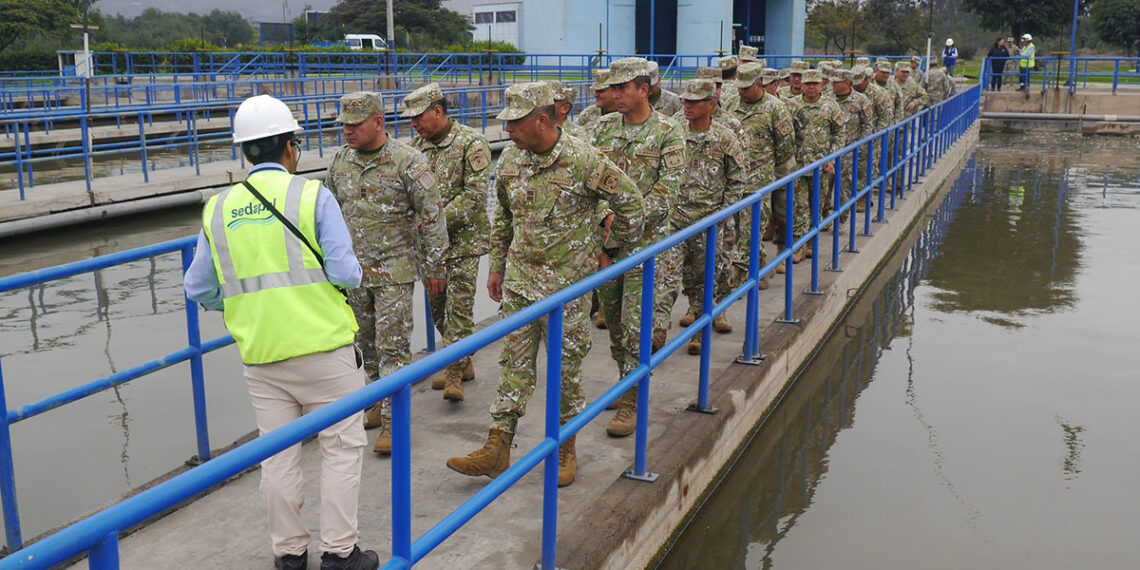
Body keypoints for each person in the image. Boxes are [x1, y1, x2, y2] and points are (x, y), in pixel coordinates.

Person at [183, 94, 380, 570]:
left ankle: (289, 556)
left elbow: (199, 287)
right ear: (290, 147)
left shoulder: (218, 208)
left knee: (278, 454)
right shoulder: (313, 196)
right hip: (326, 348)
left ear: (244, 152)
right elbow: (346, 273)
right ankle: (339, 553)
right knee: (340, 448)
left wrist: (244, 307)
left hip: (263, 355)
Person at [445, 82, 645, 487]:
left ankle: (565, 448)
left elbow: (632, 205)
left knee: (565, 372)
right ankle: (497, 447)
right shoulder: (512, 163)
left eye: (515, 124)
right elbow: (502, 217)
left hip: (567, 289)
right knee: (513, 366)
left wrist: (609, 248)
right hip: (521, 283)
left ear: (541, 120)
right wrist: (497, 266)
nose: (508, 132)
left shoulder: (585, 160)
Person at [326, 91, 449, 455]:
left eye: (355, 124)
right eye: (343, 125)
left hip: (395, 270)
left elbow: (432, 216)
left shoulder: (407, 162)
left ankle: (396, 424)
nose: (347, 131)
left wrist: (436, 265)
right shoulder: (339, 163)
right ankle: (376, 399)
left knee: (393, 347)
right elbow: (329, 214)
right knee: (364, 345)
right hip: (354, 273)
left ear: (378, 122)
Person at [590, 57, 685, 438]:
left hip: (648, 247)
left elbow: (668, 190)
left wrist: (626, 222)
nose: (613, 95)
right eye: (610, 89)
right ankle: (624, 378)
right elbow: (588, 181)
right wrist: (602, 220)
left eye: (621, 88)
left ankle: (631, 399)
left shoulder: (667, 132)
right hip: (607, 247)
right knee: (613, 322)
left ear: (643, 89)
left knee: (635, 325)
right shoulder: (601, 130)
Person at [401, 84, 491, 402]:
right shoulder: (414, 150)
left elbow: (475, 194)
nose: (413, 124)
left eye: (417, 117)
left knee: (459, 308)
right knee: (438, 308)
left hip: (464, 242)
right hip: (431, 249)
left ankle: (453, 373)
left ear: (437, 111)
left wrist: (437, 220)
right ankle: (462, 360)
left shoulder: (471, 143)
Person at [660, 79, 748, 355]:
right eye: (685, 101)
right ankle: (657, 330)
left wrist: (725, 212)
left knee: (705, 276)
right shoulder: (672, 132)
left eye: (695, 102)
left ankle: (698, 329)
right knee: (666, 276)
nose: (687, 106)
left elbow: (737, 180)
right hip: (675, 218)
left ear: (711, 104)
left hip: (709, 220)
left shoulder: (724, 138)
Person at [731, 64, 796, 287]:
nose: (741, 91)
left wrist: (770, 171)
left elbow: (786, 147)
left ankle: (746, 274)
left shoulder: (775, 108)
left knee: (752, 226)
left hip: (762, 178)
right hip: (735, 179)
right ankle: (759, 265)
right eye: (739, 86)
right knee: (737, 227)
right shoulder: (732, 105)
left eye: (746, 87)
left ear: (759, 85)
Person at [789, 69, 845, 271]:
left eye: (815, 84)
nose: (811, 87)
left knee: (816, 206)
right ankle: (799, 246)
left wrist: (832, 158)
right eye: (808, 84)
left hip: (821, 166)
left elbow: (839, 134)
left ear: (821, 85)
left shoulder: (830, 106)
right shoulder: (794, 106)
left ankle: (811, 243)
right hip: (798, 166)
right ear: (801, 85)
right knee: (799, 207)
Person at [831, 68, 873, 220]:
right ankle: (823, 217)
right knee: (824, 187)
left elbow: (868, 125)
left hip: (849, 150)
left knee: (845, 186)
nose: (833, 84)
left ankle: (841, 219)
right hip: (829, 150)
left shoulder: (861, 101)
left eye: (837, 82)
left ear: (847, 83)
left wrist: (859, 147)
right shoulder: (828, 98)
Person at [576, 68, 616, 133]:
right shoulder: (588, 114)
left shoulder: (628, 116)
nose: (595, 95)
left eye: (601, 91)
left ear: (615, 90)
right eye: (595, 91)